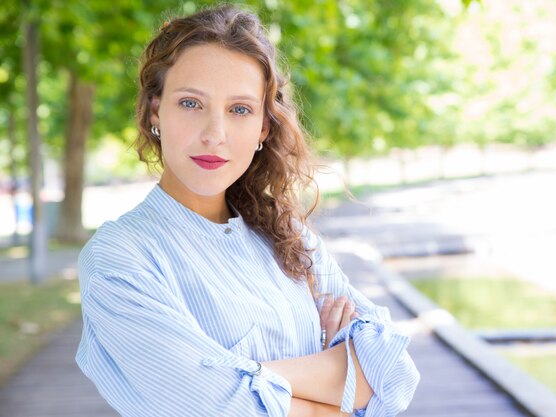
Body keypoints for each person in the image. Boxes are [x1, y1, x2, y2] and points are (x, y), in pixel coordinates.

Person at [75, 4, 419, 416]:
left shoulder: (286, 234)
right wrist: (335, 384)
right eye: (190, 103)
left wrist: (243, 374)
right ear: (155, 112)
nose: (214, 135)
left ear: (262, 128)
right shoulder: (120, 258)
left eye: (239, 109)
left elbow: (395, 375)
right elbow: (212, 409)